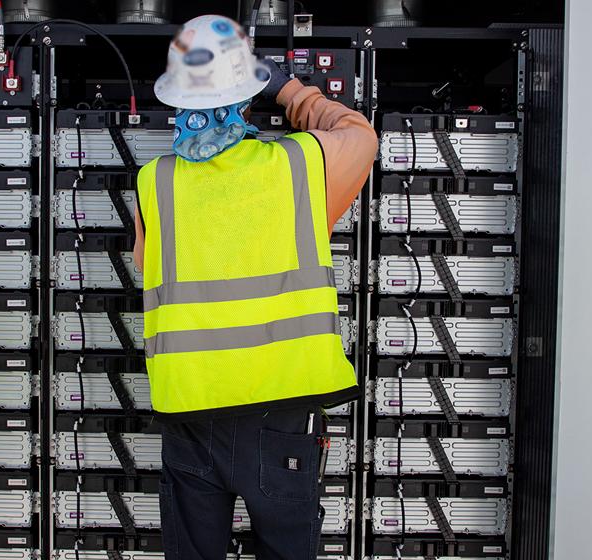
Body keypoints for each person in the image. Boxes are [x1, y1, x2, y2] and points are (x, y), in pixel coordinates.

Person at [131, 14, 378, 560]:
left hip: (190, 411)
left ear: (177, 100)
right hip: (281, 412)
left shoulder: (155, 181)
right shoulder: (302, 165)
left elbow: (146, 266)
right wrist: (291, 90)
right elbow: (360, 136)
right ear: (248, 93)